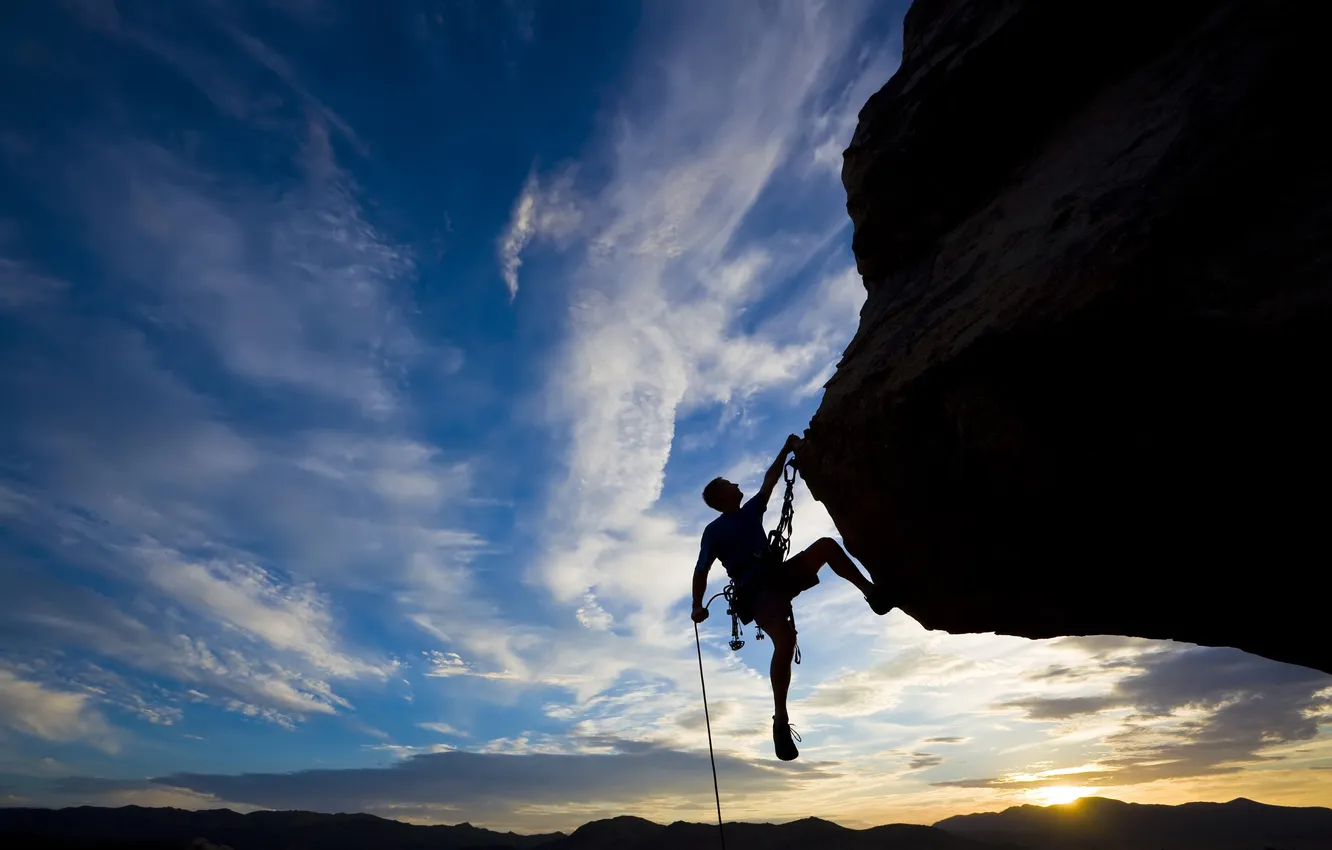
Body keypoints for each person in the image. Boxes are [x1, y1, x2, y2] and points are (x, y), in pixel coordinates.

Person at [690, 434, 892, 761]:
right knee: (784, 640)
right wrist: (696, 606)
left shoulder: (751, 510)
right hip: (755, 591)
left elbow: (770, 482)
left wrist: (785, 449)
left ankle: (872, 593)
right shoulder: (714, 531)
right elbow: (701, 570)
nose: (736, 483)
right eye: (729, 483)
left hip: (775, 575)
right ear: (720, 496)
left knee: (826, 546)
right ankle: (780, 720)